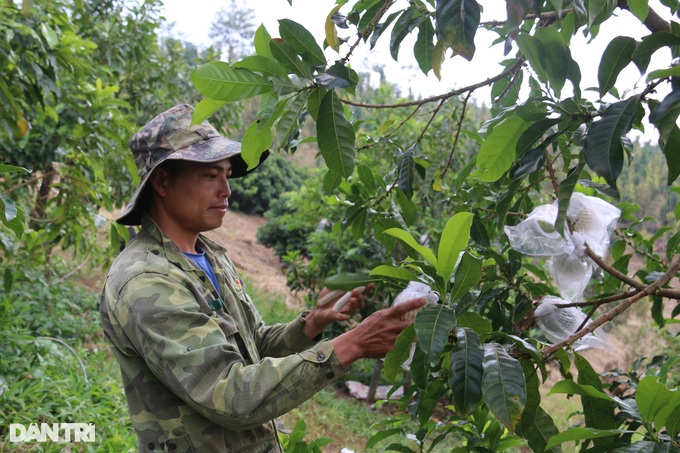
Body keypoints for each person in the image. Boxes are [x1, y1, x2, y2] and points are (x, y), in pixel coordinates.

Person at [99, 104, 425, 453]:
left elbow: (252, 344)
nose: (226, 190)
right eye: (211, 176)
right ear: (162, 182)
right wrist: (353, 345)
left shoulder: (208, 256)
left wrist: (309, 326)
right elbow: (230, 394)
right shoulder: (147, 281)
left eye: (226, 175)